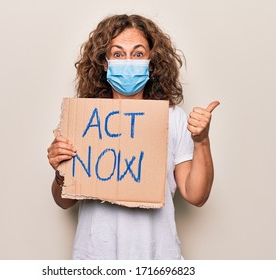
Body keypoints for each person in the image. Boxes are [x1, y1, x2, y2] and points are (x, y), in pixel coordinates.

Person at [47, 14, 219, 259]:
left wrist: (202, 141)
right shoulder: (83, 120)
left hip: (157, 257)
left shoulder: (174, 118)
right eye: (118, 54)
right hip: (96, 256)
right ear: (104, 63)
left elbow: (196, 195)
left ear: (151, 62)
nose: (128, 61)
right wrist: (59, 170)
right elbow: (63, 202)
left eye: (138, 54)